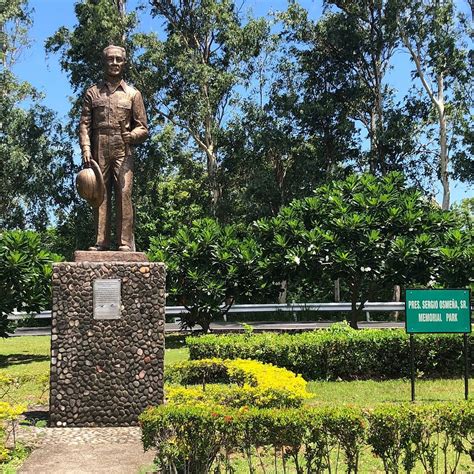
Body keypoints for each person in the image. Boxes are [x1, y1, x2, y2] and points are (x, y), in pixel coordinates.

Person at [79, 45, 148, 251]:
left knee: (124, 193)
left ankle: (124, 243)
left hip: (123, 149)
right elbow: (84, 124)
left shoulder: (133, 94)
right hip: (99, 145)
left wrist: (132, 135)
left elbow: (143, 128)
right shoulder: (92, 93)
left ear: (124, 63)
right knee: (99, 192)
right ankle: (101, 242)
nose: (115, 63)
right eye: (111, 59)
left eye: (119, 59)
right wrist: (86, 149)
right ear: (104, 62)